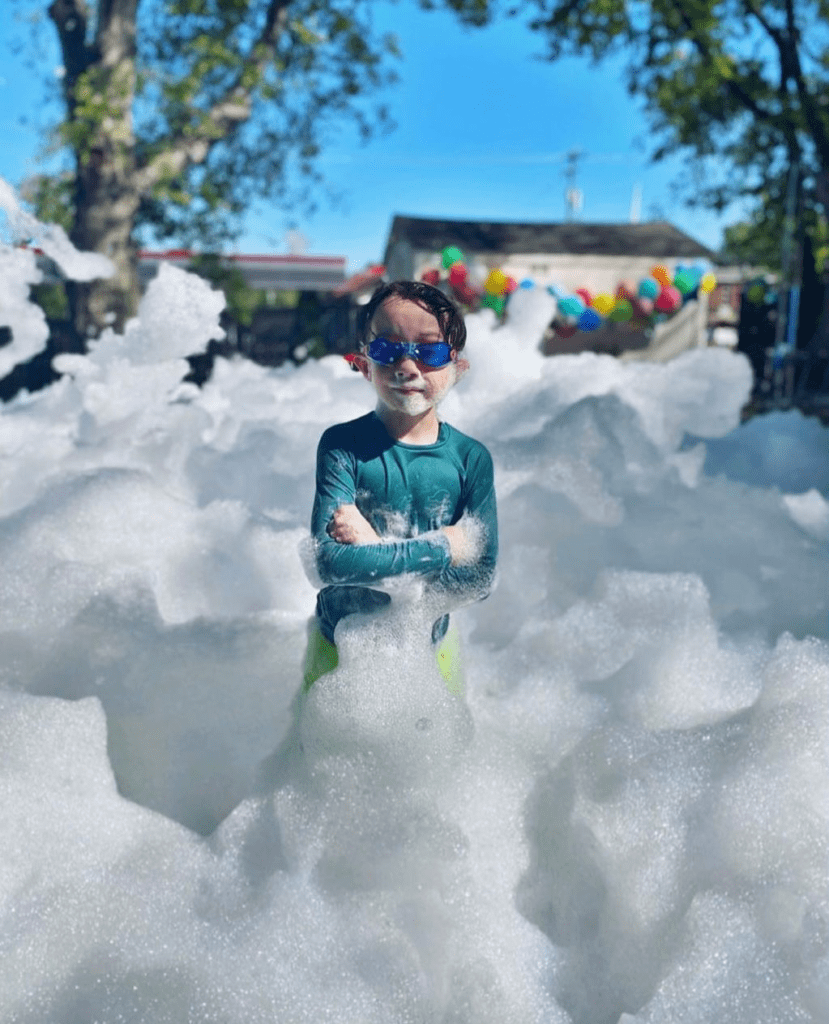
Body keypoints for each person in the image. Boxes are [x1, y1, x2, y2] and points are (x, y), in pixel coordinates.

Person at [304, 279, 498, 694]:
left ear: (457, 368)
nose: (408, 366)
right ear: (363, 364)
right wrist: (444, 547)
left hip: (429, 648)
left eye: (429, 352)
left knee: (439, 757)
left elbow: (480, 577)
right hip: (340, 644)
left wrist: (371, 547)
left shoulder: (470, 459)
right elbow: (328, 564)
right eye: (388, 349)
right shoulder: (343, 447)